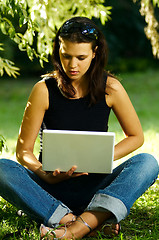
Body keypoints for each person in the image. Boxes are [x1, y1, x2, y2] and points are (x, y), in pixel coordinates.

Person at [0, 16, 158, 239]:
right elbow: (23, 151)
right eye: (66, 56)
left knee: (148, 163)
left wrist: (101, 157)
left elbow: (136, 136)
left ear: (95, 53)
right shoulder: (43, 90)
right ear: (58, 51)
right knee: (1, 168)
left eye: (81, 57)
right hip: (49, 188)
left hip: (97, 187)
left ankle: (75, 227)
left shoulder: (111, 87)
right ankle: (84, 222)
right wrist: (45, 175)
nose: (73, 65)